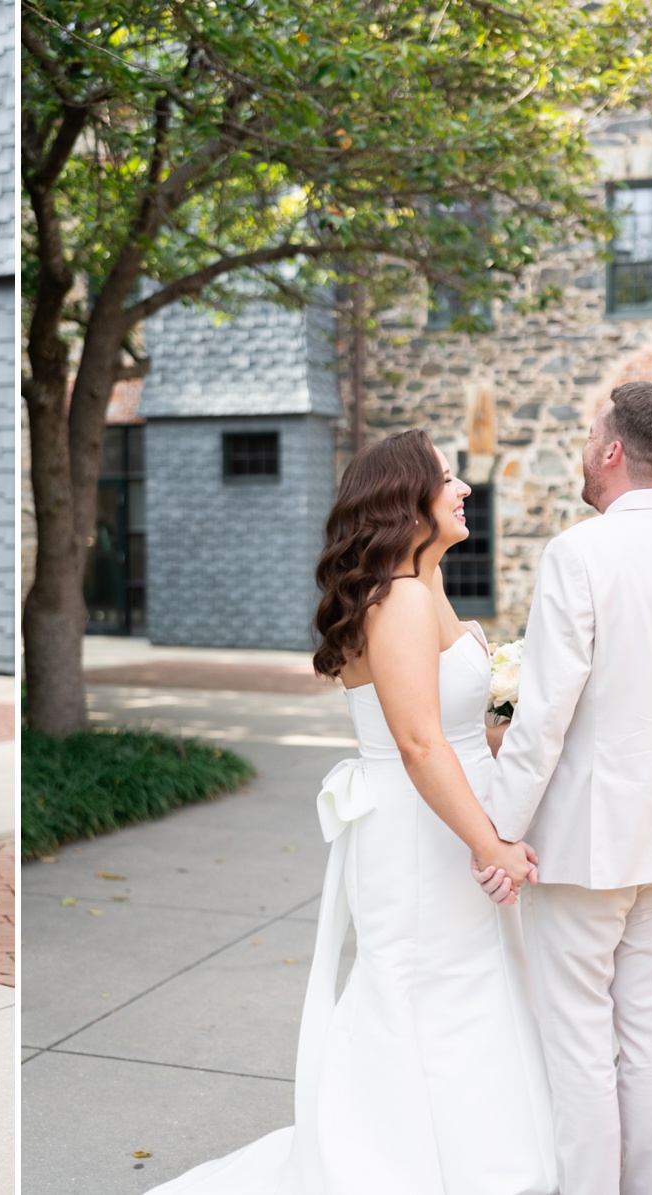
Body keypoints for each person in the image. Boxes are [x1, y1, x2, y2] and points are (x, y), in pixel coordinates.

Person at [146, 429, 557, 1195]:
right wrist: (489, 844)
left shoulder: (421, 579)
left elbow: (459, 724)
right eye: (446, 477)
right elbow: (417, 742)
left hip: (451, 822)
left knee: (468, 987)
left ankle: (473, 1159)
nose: (464, 487)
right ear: (406, 498)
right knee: (418, 986)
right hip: (419, 831)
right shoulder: (395, 598)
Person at [472, 382, 652, 1195]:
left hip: (584, 842)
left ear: (613, 451)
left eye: (594, 431)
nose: (588, 445)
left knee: (578, 1040)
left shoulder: (581, 551)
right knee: (649, 1024)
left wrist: (498, 831)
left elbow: (545, 714)